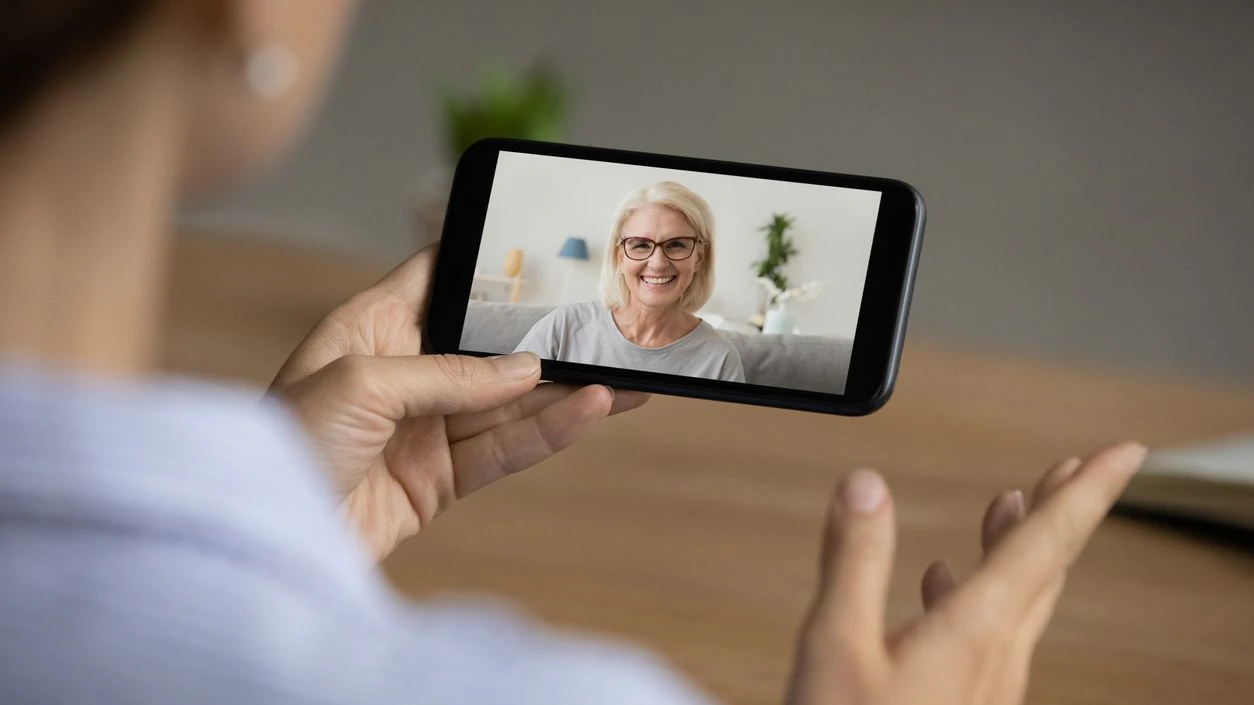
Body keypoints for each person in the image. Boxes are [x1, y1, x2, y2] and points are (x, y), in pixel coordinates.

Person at [0, 1, 1147, 704]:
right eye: (636, 246)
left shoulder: (731, 345)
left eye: (674, 250)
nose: (653, 264)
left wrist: (281, 522)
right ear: (244, 11)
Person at [514, 181, 746, 382]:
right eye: (641, 245)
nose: (657, 263)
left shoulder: (720, 359)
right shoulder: (564, 326)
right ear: (620, 256)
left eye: (676, 245)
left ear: (699, 258)